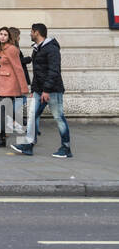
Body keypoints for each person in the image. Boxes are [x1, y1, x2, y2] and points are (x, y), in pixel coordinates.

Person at [13, 23, 73, 157]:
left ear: (36, 33)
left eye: (31, 32)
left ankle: (66, 148)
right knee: (32, 116)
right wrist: (34, 90)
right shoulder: (37, 49)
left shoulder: (51, 49)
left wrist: (46, 90)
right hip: (40, 90)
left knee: (59, 117)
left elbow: (54, 71)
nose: (30, 34)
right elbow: (37, 72)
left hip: (53, 90)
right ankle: (28, 145)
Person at [0, 26, 28, 147]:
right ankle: (25, 124)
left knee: (4, 111)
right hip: (0, 85)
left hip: (9, 85)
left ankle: (1, 139)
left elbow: (18, 68)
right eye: (1, 34)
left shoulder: (11, 49)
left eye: (5, 35)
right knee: (6, 111)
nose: (2, 37)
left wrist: (24, 88)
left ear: (9, 37)